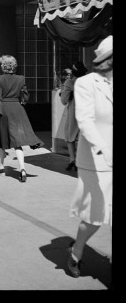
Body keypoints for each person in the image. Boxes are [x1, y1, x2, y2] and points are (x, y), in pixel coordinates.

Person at [67, 35, 112, 278]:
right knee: (95, 217)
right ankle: (77, 250)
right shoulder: (85, 83)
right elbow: (85, 120)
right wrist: (104, 148)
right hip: (96, 160)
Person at [0, 55, 43, 182]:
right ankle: (22, 169)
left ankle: (1, 167)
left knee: (1, 140)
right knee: (17, 141)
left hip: (3, 109)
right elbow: (25, 95)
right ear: (14, 66)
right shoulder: (21, 78)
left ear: (3, 66)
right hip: (17, 109)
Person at [58, 61, 88, 171]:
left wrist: (64, 92)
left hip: (74, 112)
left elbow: (64, 101)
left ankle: (72, 159)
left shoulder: (69, 82)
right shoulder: (89, 81)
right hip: (88, 111)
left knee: (70, 136)